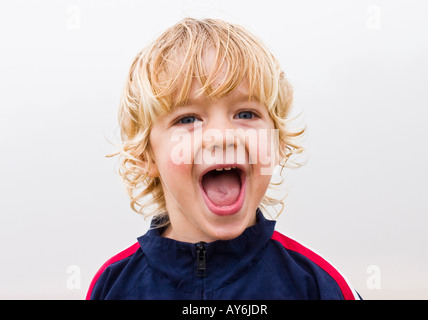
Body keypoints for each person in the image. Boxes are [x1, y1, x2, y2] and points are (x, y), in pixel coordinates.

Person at [86, 17, 360, 300]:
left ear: (277, 142)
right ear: (146, 155)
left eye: (245, 114)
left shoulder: (315, 284)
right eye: (188, 119)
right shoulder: (113, 286)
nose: (222, 136)